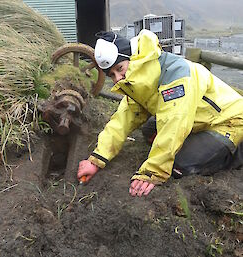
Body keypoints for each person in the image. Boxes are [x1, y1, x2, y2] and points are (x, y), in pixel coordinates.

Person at [77, 29, 243, 197]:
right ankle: (197, 145)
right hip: (196, 120)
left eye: (120, 68)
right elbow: (122, 119)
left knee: (179, 166)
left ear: (132, 59)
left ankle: (235, 151)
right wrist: (97, 159)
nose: (118, 78)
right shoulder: (139, 78)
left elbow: (174, 124)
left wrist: (152, 172)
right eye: (111, 75)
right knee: (150, 130)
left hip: (228, 121)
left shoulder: (176, 76)